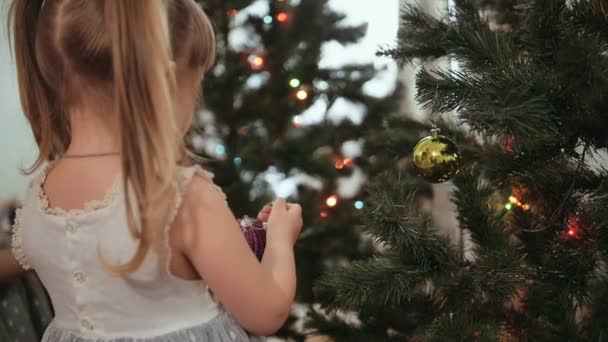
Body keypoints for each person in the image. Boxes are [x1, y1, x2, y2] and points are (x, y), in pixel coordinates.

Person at [1, 0, 303, 341]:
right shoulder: (182, 198)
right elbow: (267, 311)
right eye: (196, 83)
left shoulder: (41, 194)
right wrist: (280, 236)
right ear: (166, 81)